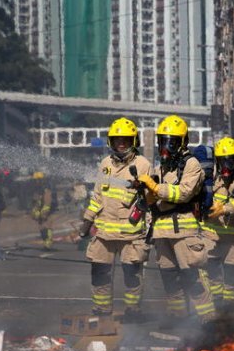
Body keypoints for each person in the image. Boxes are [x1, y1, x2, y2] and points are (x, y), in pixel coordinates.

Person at [135, 115, 216, 324]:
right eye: (163, 140)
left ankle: (209, 319)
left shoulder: (191, 164)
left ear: (182, 142)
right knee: (169, 278)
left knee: (192, 277)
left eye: (171, 141)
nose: (166, 146)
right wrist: (144, 190)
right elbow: (154, 200)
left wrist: (154, 187)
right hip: (161, 231)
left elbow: (183, 193)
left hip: (183, 230)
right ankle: (177, 317)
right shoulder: (162, 166)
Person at [79, 117, 152, 320]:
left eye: (126, 140)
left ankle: (133, 311)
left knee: (132, 275)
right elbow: (97, 197)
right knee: (99, 273)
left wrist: (151, 231)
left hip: (132, 235)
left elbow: (151, 199)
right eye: (117, 139)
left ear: (133, 141)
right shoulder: (105, 164)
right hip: (104, 234)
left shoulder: (143, 164)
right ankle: (102, 310)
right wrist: (87, 222)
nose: (121, 143)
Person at [202, 137, 234, 311]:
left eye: (231, 160)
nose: (227, 164)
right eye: (223, 160)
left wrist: (223, 209)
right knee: (211, 268)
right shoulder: (211, 175)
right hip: (211, 233)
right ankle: (216, 301)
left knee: (232, 271)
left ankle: (229, 308)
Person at [30, 171, 54, 250]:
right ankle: (46, 243)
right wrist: (35, 212)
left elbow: (47, 202)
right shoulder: (36, 190)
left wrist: (44, 213)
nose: (36, 182)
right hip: (40, 213)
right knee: (42, 229)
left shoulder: (46, 189)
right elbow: (35, 202)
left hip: (47, 213)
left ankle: (48, 244)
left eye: (37, 180)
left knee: (47, 228)